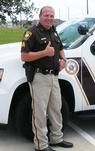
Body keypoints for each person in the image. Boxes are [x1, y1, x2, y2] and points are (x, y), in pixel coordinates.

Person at [21, 6, 73, 151]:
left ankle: (57, 139)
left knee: (56, 109)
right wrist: (44, 53)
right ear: (40, 16)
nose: (49, 18)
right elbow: (24, 56)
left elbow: (60, 48)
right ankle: (41, 145)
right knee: (40, 112)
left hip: (54, 76)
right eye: (46, 15)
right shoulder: (32, 32)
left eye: (52, 15)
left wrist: (63, 59)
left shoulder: (53, 31)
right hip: (39, 77)